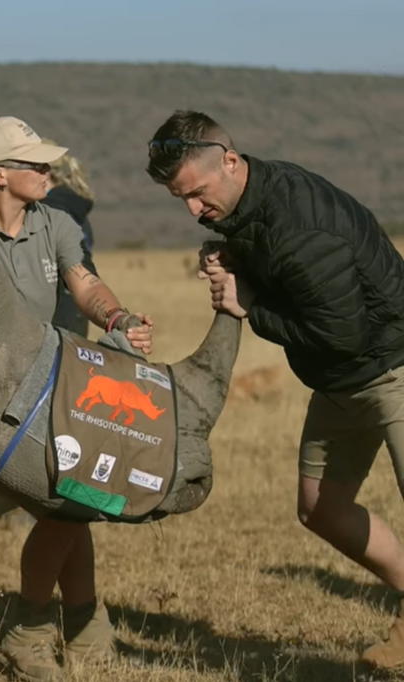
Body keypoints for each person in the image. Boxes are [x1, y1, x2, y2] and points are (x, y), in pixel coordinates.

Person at [144, 109, 404, 672]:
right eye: (180, 199)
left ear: (230, 162)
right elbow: (288, 273)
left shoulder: (299, 224)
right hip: (342, 379)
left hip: (393, 368)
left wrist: (248, 303)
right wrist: (230, 254)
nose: (192, 211)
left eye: (197, 193)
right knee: (321, 510)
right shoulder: (251, 198)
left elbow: (340, 332)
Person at [0, 115, 155, 681]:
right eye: (35, 163)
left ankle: (78, 625)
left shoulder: (55, 222)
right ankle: (33, 629)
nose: (49, 170)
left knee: (72, 500)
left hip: (48, 381)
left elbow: (85, 284)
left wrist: (117, 317)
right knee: (66, 502)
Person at [40, 143, 97, 337]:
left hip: (58, 311)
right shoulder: (73, 205)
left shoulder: (51, 210)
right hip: (77, 309)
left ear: (45, 172)